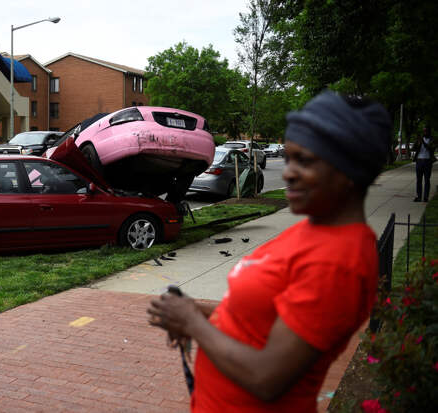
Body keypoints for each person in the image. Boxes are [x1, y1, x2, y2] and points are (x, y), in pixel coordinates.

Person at [147, 90, 392, 412]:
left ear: (349, 170)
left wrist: (193, 323)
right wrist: (193, 314)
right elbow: (255, 323)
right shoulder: (312, 228)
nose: (288, 172)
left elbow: (267, 378)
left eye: (304, 160)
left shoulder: (338, 262)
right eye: (289, 158)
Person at [412, 126, 436, 202]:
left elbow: (431, 148)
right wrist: (417, 141)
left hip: (428, 161)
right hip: (419, 161)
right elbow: (413, 148)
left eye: (426, 131)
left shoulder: (432, 140)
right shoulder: (420, 140)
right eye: (424, 131)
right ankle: (419, 197)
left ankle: (426, 197)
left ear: (429, 132)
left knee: (427, 180)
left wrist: (422, 141)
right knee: (419, 180)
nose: (425, 132)